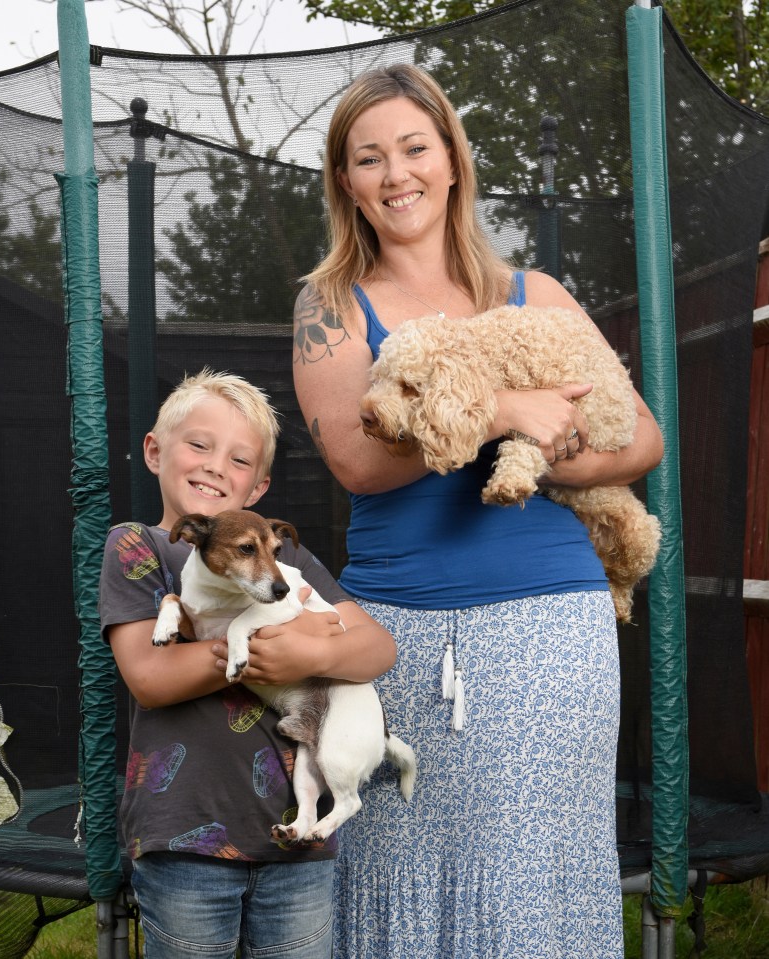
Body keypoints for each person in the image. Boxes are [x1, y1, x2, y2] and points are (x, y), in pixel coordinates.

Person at [292, 63, 664, 959]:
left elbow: (643, 439)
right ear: (346, 182)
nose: (396, 174)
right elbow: (355, 459)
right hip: (398, 632)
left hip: (552, 621)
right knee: (391, 852)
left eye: (414, 148)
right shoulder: (330, 303)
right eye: (368, 157)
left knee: (539, 863)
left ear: (452, 160)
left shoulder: (536, 296)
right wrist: (500, 413)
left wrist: (556, 447)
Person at [99, 368, 397, 959]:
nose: (215, 467)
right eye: (199, 445)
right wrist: (253, 647)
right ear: (155, 452)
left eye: (240, 461)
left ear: (257, 488)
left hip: (298, 843)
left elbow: (379, 649)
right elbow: (151, 679)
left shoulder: (281, 561)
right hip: (184, 838)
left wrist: (314, 648)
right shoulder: (139, 547)